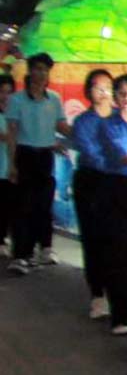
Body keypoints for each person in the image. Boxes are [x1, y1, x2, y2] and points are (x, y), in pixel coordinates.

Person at [92, 73, 127, 335]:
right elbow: (124, 157)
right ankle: (121, 314)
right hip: (116, 189)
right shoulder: (108, 126)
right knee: (117, 251)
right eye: (121, 93)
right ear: (115, 97)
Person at [66, 69, 117, 317]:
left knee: (116, 240)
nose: (104, 92)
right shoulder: (83, 121)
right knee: (93, 239)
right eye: (98, 87)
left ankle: (119, 294)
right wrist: (120, 162)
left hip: (119, 183)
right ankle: (98, 295)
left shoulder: (121, 118)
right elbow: (91, 153)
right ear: (89, 91)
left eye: (108, 86)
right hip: (92, 181)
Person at [6, 52, 62, 273]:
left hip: (45, 156)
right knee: (23, 206)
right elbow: (12, 133)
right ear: (30, 71)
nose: (41, 73)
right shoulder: (17, 100)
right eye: (38, 68)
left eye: (45, 70)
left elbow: (61, 126)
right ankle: (21, 255)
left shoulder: (54, 99)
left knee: (44, 204)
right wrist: (12, 164)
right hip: (25, 155)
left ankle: (45, 248)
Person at [0, 73, 14, 265]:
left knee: (6, 205)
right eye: (2, 92)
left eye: (9, 92)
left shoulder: (14, 114)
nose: (5, 96)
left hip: (9, 167)